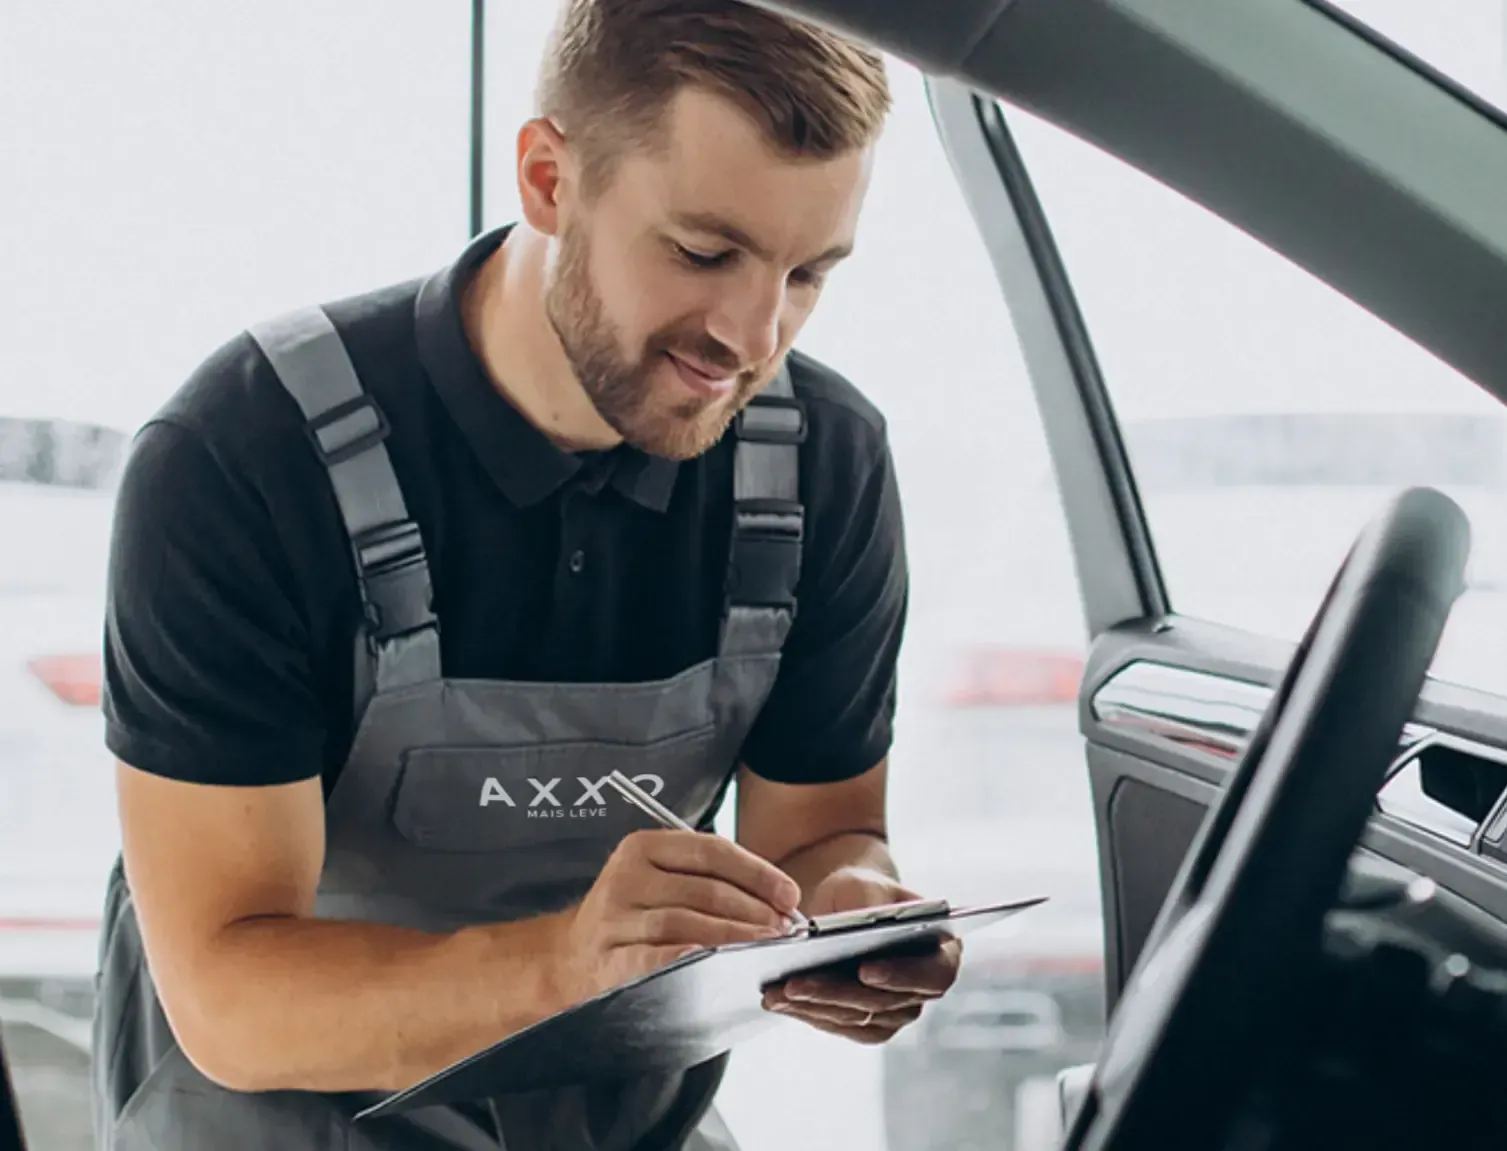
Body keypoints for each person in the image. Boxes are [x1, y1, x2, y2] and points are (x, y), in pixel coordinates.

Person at [90, 2, 962, 1148]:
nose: (753, 335)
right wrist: (565, 959)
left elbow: (821, 839)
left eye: (808, 272)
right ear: (550, 178)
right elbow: (231, 995)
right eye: (705, 253)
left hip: (617, 1119)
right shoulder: (244, 455)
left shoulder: (823, 465)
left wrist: (847, 918)